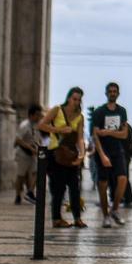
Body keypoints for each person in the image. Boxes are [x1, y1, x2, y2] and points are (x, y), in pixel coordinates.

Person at [38, 87, 87, 228]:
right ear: (68, 98)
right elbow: (41, 125)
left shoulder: (80, 116)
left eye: (78, 100)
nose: (76, 102)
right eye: (74, 99)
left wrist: (82, 155)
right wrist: (58, 130)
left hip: (71, 154)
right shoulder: (57, 110)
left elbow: (80, 138)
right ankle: (56, 218)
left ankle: (77, 217)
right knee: (58, 188)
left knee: (75, 187)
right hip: (56, 153)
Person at [90, 82, 130, 228]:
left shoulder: (122, 111)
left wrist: (107, 132)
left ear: (118, 94)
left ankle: (115, 209)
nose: (113, 93)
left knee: (122, 179)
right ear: (106, 93)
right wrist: (102, 155)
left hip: (117, 150)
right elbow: (95, 135)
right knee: (102, 183)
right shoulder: (99, 112)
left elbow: (124, 134)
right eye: (110, 91)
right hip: (103, 151)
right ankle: (105, 215)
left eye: (115, 91)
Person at [12, 105, 41, 205]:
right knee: (21, 175)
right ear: (31, 115)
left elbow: (36, 138)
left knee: (37, 172)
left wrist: (37, 147)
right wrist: (29, 147)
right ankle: (17, 195)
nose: (39, 117)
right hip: (23, 153)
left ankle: (30, 191)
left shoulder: (36, 126)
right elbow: (18, 140)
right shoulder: (24, 125)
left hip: (32, 154)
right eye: (37, 115)